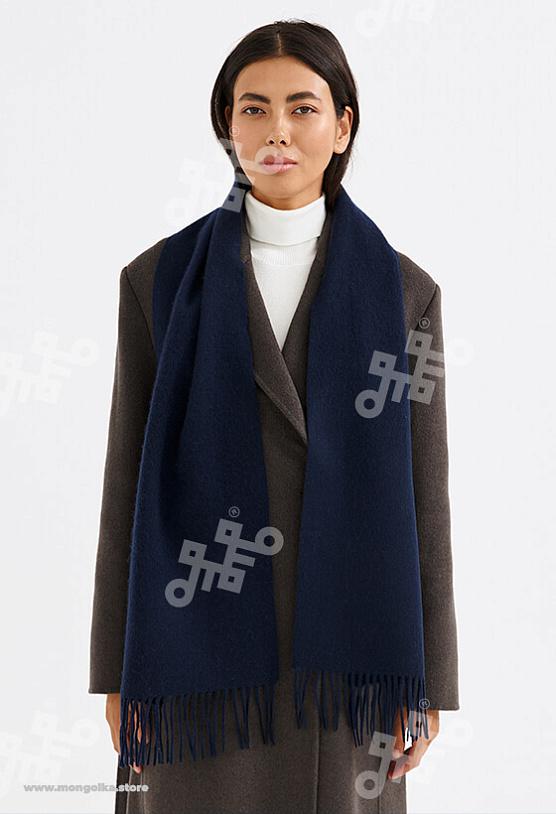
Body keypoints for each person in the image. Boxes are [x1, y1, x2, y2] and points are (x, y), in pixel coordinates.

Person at [89, 19, 459, 814]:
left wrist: (429, 679)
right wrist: (115, 672)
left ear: (343, 126)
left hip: (345, 658)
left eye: (303, 107)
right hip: (192, 655)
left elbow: (426, 498)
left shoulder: (406, 294)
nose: (277, 131)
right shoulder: (158, 281)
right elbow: (125, 486)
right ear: (227, 124)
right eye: (253, 108)